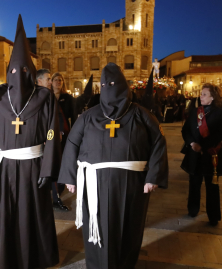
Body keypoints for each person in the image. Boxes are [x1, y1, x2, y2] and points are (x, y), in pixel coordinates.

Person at [0, 15, 61, 269]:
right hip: (6, 166)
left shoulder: (44, 97)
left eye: (24, 70)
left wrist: (49, 169)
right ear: (9, 71)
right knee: (7, 212)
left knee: (33, 213)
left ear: (30, 71)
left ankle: (36, 256)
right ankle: (7, 255)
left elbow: (52, 133)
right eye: (14, 71)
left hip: (34, 166)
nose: (18, 75)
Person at [58, 63, 168, 269]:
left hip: (131, 185)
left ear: (123, 85)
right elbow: (72, 143)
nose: (109, 87)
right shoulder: (89, 115)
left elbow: (159, 143)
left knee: (128, 227)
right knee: (97, 226)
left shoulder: (141, 114)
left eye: (113, 83)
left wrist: (154, 176)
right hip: (94, 184)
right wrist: (69, 176)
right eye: (104, 84)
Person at [181, 83, 222, 226]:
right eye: (201, 94)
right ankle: (193, 209)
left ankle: (213, 216)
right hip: (195, 154)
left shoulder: (220, 113)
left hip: (211, 154)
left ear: (213, 97)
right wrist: (192, 144)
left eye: (204, 94)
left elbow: (221, 133)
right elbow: (185, 131)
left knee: (212, 186)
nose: (201, 96)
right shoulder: (195, 111)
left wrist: (203, 146)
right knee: (194, 183)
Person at [36, 68, 69, 211]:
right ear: (39, 81)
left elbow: (56, 118)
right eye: (48, 79)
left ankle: (55, 199)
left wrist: (51, 137)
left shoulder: (49, 96)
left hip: (49, 139)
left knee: (53, 167)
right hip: (37, 141)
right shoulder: (33, 96)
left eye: (51, 79)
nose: (50, 81)